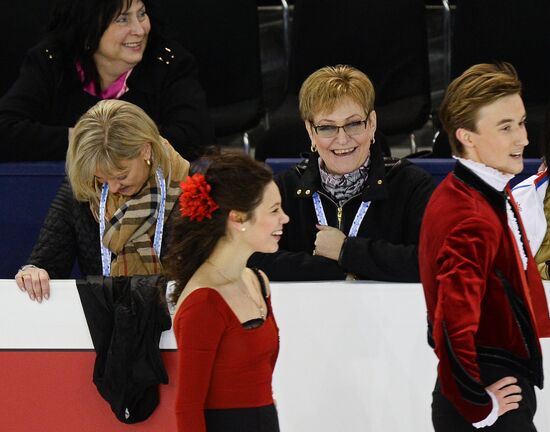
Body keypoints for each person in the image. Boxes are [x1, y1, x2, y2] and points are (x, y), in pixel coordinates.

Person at [419, 62, 550, 431]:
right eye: (505, 128)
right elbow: (450, 324)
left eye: (522, 123)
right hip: (487, 394)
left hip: (491, 387)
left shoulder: (474, 192)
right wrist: (477, 405)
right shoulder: (469, 214)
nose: (522, 139)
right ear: (467, 136)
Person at [249, 64, 435, 281]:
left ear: (372, 124)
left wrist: (347, 250)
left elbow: (429, 261)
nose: (343, 139)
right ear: (311, 131)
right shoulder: (283, 189)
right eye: (327, 127)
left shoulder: (411, 185)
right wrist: (336, 267)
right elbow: (252, 258)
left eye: (354, 124)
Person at [14, 99, 189, 302]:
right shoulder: (84, 190)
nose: (113, 188)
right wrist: (33, 273)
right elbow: (46, 261)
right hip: (104, 322)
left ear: (145, 150)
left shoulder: (190, 193)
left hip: (173, 321)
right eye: (102, 178)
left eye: (121, 175)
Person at [0, 0, 214, 162]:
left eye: (141, 14)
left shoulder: (168, 62)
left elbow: (194, 137)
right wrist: (91, 139)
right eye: (122, 19)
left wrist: (106, 141)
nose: (140, 30)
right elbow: (6, 130)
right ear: (86, 29)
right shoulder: (51, 62)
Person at [165, 152, 288, 431]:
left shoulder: (258, 281)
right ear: (238, 218)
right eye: (274, 210)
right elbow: (187, 408)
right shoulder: (203, 303)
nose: (285, 218)